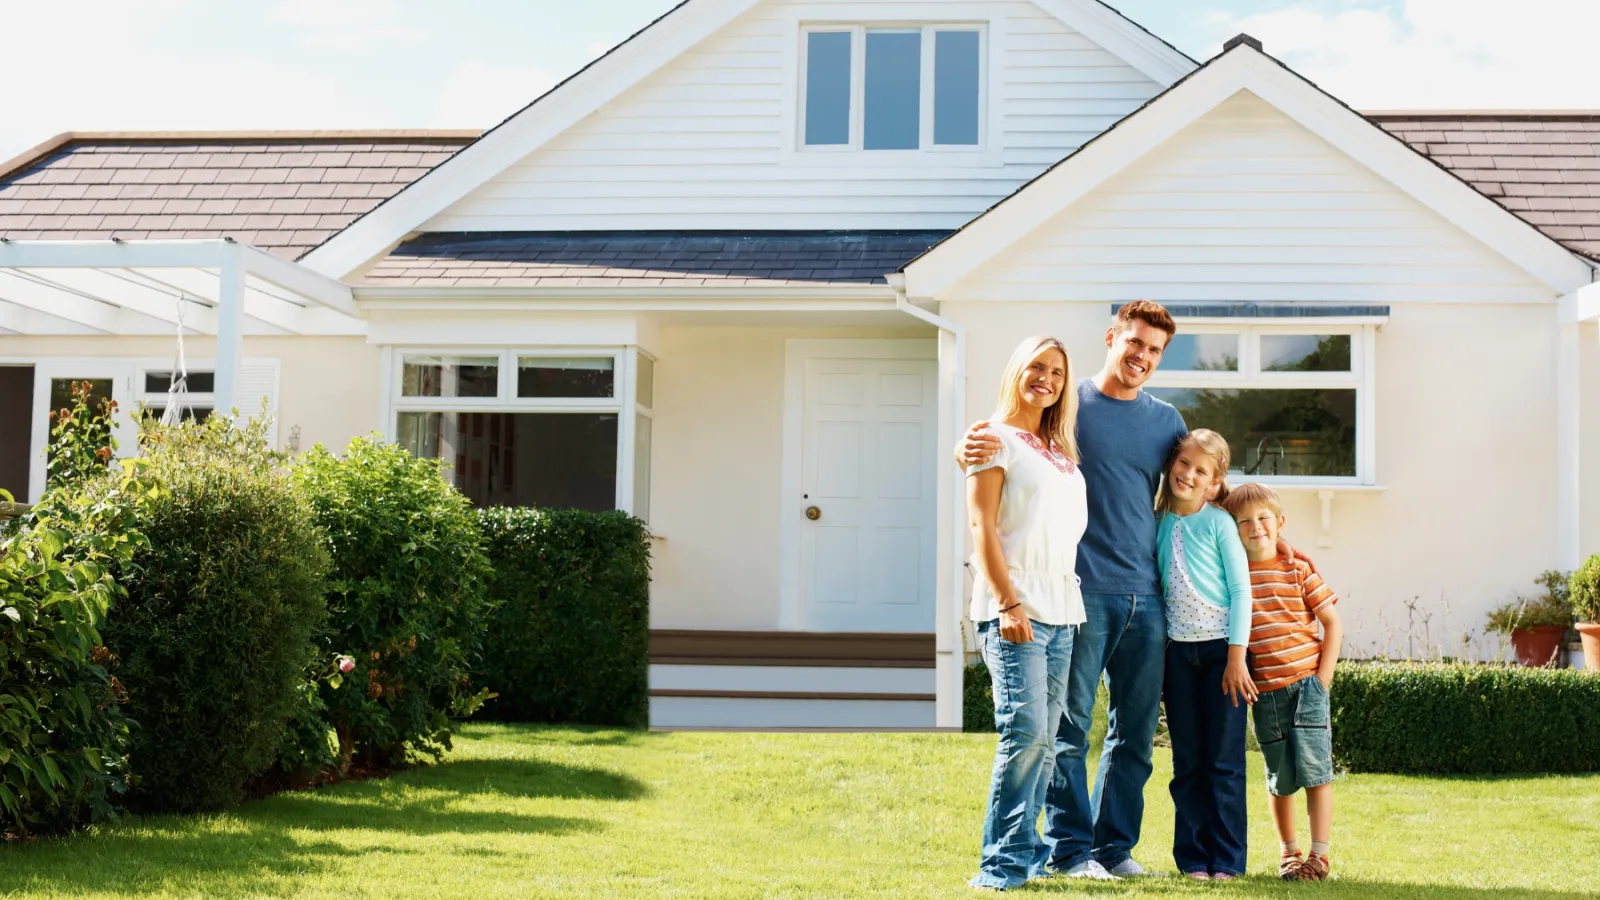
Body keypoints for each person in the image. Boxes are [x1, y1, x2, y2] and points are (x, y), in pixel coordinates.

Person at [960, 301, 1186, 881]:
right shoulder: (1065, 408)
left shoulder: (1160, 424)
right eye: (1133, 342)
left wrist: (1262, 536)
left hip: (1136, 595)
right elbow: (996, 465)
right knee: (1060, 731)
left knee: (1132, 734)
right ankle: (1067, 849)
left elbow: (1195, 488)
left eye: (1154, 349)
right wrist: (969, 447)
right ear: (1112, 338)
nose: (1141, 356)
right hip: (1079, 595)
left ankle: (1112, 850)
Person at [966, 336, 1088, 891]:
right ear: (1016, 369)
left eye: (1058, 373)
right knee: (1025, 736)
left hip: (1062, 609)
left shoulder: (1057, 448)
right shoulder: (992, 438)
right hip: (1015, 607)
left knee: (1045, 745)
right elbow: (982, 528)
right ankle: (1000, 866)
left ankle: (1028, 855)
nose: (1047, 379)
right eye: (1037, 367)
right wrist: (1008, 602)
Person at [1221, 483, 1344, 882]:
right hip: (1266, 694)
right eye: (1244, 522)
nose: (1255, 527)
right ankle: (1289, 854)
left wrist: (1322, 681)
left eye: (1263, 519)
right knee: (1280, 778)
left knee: (1316, 772)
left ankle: (1319, 856)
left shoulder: (1297, 568)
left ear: (1280, 523)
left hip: (1306, 687)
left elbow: (1332, 624)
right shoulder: (1233, 575)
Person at [1153, 429, 1255, 881]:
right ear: (1171, 464)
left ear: (1214, 483)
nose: (1188, 475)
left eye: (1200, 471)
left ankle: (1228, 861)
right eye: (1183, 464)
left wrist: (1236, 657)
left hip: (1223, 656)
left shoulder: (1218, 523)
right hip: (1179, 657)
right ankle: (1193, 858)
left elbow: (1240, 591)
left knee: (1224, 762)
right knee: (1188, 761)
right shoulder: (1157, 519)